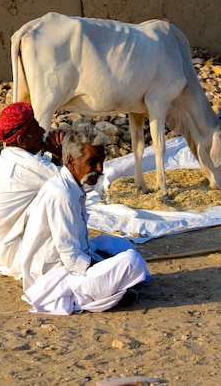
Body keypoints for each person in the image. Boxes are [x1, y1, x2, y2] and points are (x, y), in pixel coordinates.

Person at [17, 124, 150, 315]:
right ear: (70, 161)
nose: (100, 169)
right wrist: (101, 265)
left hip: (71, 262)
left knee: (122, 247)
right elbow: (71, 258)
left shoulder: (72, 186)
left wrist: (103, 259)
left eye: (102, 161)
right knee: (131, 260)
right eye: (92, 161)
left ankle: (113, 287)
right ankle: (101, 293)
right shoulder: (61, 195)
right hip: (55, 279)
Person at [0, 102, 63, 278]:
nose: (43, 132)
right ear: (22, 140)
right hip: (8, 254)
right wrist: (58, 155)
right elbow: (71, 186)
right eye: (36, 128)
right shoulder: (29, 166)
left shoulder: (3, 159)